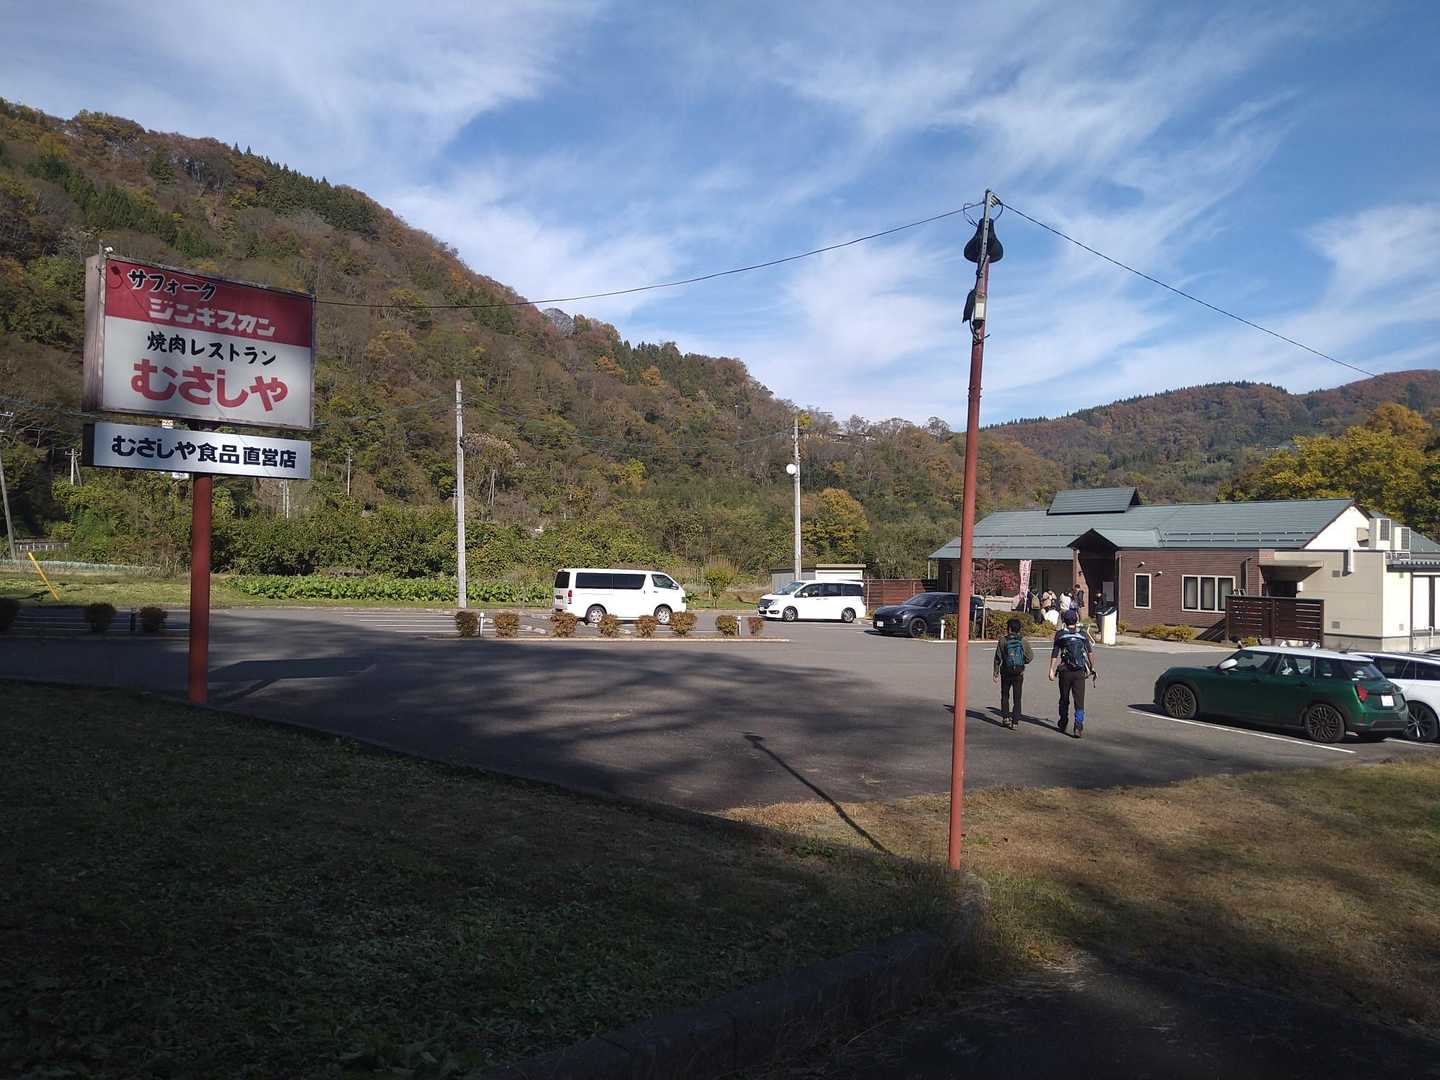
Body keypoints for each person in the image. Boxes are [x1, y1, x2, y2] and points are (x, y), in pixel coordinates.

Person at [1048, 608, 1097, 738]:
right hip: (1079, 672)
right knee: (1079, 701)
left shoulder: (1060, 634)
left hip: (1065, 671)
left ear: (1064, 620)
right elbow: (1090, 653)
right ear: (1076, 620)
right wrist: (1091, 668)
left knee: (1064, 698)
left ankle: (1063, 721)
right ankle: (1078, 726)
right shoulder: (1082, 634)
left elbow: (1055, 653)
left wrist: (1051, 670)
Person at [992, 617, 1033, 728]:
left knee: (1005, 695)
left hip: (1006, 671)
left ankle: (1005, 717)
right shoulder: (1023, 640)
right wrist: (1022, 662)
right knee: (1017, 697)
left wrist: (995, 673)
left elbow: (998, 658)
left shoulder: (1003, 640)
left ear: (1009, 628)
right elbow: (1030, 656)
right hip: (1018, 672)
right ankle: (1015, 721)